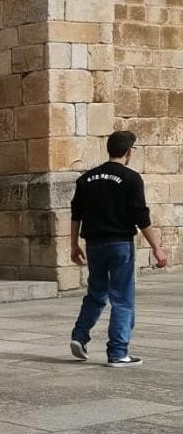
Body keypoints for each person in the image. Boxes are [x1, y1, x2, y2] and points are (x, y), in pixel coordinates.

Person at [68, 130, 168, 367]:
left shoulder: (86, 179)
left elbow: (76, 214)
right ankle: (118, 352)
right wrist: (157, 248)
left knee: (96, 294)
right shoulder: (131, 178)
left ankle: (79, 337)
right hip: (120, 245)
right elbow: (141, 217)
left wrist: (73, 245)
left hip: (93, 245)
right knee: (122, 298)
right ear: (128, 151)